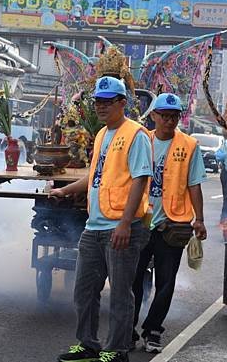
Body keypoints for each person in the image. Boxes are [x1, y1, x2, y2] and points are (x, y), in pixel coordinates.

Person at [51, 76, 152, 362]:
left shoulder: (136, 135)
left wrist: (124, 223)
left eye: (108, 102)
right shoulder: (101, 135)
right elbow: (95, 177)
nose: (101, 107)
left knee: (120, 293)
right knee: (84, 289)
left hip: (121, 227)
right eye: (98, 101)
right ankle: (88, 344)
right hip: (94, 226)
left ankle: (117, 350)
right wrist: (64, 190)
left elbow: (140, 179)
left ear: (123, 103)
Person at [132, 93, 207, 353]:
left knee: (166, 282)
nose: (170, 120)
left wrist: (200, 219)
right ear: (153, 115)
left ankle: (153, 330)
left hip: (172, 225)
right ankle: (128, 330)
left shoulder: (189, 145)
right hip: (140, 222)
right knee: (133, 280)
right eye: (164, 115)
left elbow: (194, 184)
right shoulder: (141, 140)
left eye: (174, 116)